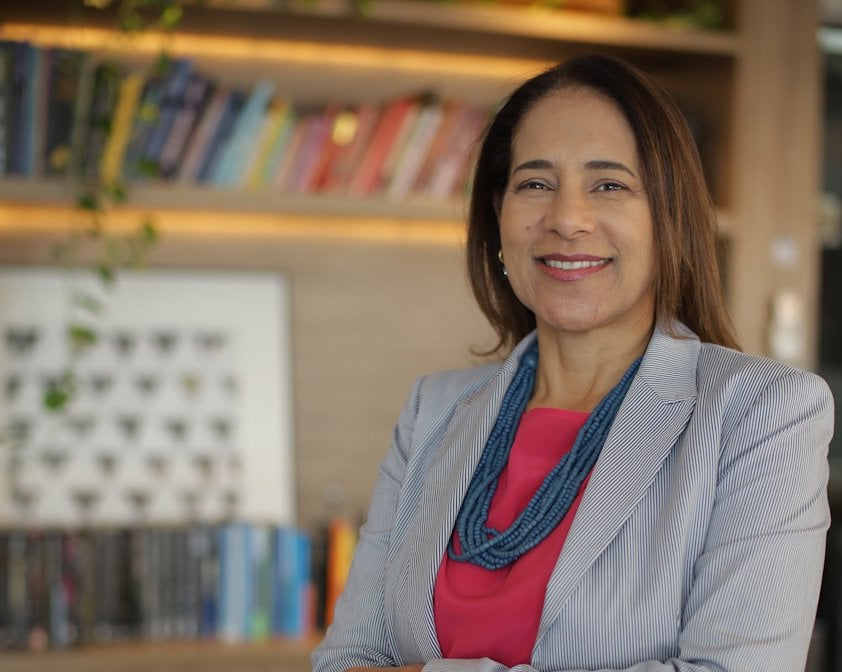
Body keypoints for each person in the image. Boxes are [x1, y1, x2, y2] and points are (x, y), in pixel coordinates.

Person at [310, 53, 834, 672]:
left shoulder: (764, 415)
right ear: (497, 218)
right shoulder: (434, 410)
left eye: (608, 184)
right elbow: (345, 659)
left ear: (667, 219)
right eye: (535, 183)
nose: (567, 219)